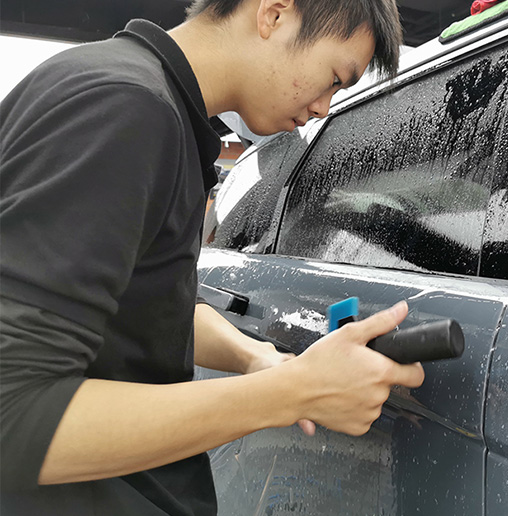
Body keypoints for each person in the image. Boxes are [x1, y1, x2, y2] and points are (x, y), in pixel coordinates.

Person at [0, 0, 425, 514]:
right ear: (274, 13)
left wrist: (255, 358)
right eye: (335, 78)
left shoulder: (149, 103)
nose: (323, 107)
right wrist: (292, 393)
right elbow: (14, 414)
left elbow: (147, 302)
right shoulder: (126, 109)